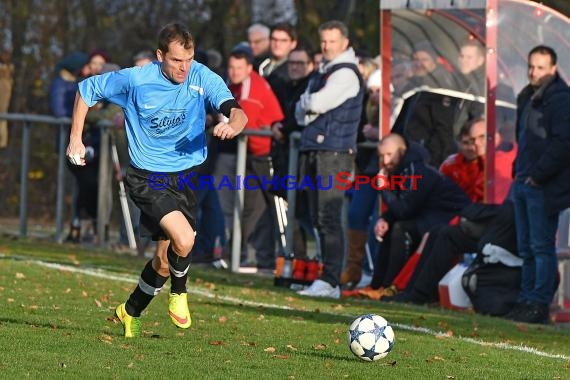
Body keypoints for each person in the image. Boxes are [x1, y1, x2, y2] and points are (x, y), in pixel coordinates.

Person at [66, 22, 247, 337]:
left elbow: (237, 111)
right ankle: (179, 293)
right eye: (176, 60)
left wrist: (233, 124)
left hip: (188, 174)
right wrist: (75, 139)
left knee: (164, 261)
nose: (183, 68)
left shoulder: (202, 76)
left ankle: (130, 311)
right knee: (186, 239)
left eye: (188, 60)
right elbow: (86, 90)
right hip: (147, 175)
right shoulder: (136, 79)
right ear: (159, 55)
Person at [294, 20, 364, 298]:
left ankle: (332, 280)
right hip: (317, 150)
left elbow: (314, 103)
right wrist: (308, 104)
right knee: (317, 217)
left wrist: (308, 104)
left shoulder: (345, 73)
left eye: (332, 41)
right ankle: (325, 277)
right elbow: (299, 111)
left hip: (334, 153)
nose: (326, 46)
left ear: (344, 43)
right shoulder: (324, 71)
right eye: (323, 41)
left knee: (329, 217)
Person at [359, 133, 470, 300]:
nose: (385, 161)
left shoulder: (416, 170)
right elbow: (406, 204)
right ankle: (378, 285)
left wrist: (384, 189)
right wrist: (385, 219)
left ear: (402, 151)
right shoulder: (403, 169)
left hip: (448, 216)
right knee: (392, 227)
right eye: (381, 156)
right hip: (431, 214)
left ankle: (392, 287)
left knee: (400, 229)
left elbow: (406, 209)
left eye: (389, 155)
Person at [507, 45, 570, 324]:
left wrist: (538, 175)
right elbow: (526, 139)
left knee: (541, 247)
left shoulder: (560, 98)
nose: (534, 72)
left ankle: (538, 303)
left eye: (541, 67)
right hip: (523, 180)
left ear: (553, 69)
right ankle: (526, 300)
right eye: (531, 66)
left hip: (542, 185)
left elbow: (563, 143)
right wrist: (518, 171)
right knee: (526, 248)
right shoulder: (528, 96)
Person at [226, 44, 284, 269]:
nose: (234, 72)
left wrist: (223, 125)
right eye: (231, 67)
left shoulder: (252, 89)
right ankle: (248, 256)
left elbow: (241, 122)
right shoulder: (235, 86)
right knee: (252, 208)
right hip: (253, 154)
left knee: (277, 206)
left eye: (239, 67)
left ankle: (292, 258)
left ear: (250, 68)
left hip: (267, 154)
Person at [439, 118, 486, 203]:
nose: (470, 148)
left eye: (473, 143)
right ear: (459, 143)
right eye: (465, 143)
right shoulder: (450, 164)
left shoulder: (489, 164)